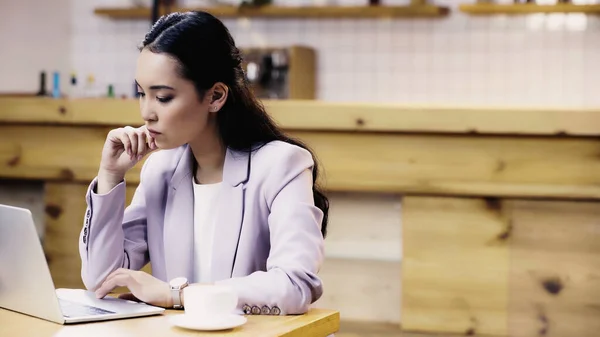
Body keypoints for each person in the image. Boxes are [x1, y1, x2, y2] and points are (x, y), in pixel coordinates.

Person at [78, 10, 329, 316]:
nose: (146, 112)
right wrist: (109, 176)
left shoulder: (281, 165)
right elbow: (99, 278)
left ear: (215, 96)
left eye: (164, 97)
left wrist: (177, 295)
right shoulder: (160, 171)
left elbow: (294, 285)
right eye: (142, 94)